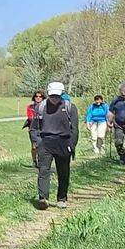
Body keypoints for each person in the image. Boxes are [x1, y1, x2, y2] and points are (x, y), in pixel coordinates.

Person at [31, 82, 78, 210]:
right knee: (43, 170)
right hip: (45, 142)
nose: (54, 98)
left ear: (62, 94)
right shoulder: (40, 107)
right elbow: (34, 127)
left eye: (57, 96)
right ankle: (43, 198)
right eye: (52, 96)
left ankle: (62, 198)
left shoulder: (70, 107)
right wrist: (37, 141)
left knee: (63, 172)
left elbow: (74, 129)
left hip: (63, 142)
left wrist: (71, 145)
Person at [24, 89, 47, 166]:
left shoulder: (46, 107)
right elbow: (30, 117)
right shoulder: (30, 107)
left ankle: (42, 160)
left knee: (42, 145)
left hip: (43, 127)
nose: (38, 98)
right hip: (33, 128)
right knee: (34, 146)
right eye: (36, 96)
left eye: (40, 96)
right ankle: (34, 161)